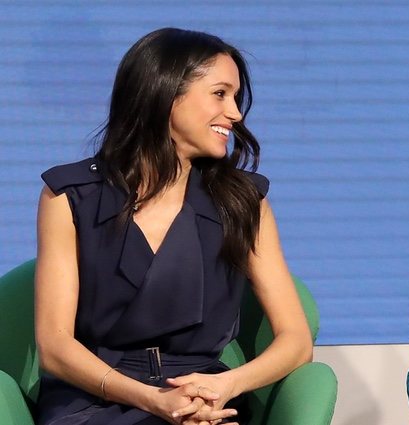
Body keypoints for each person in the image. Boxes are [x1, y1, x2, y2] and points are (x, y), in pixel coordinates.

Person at [34, 28, 313, 425]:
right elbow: (55, 346)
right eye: (220, 94)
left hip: (203, 397)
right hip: (94, 395)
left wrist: (225, 386)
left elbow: (296, 341)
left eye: (235, 98)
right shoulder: (68, 195)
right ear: (164, 93)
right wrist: (153, 400)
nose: (235, 113)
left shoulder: (245, 202)